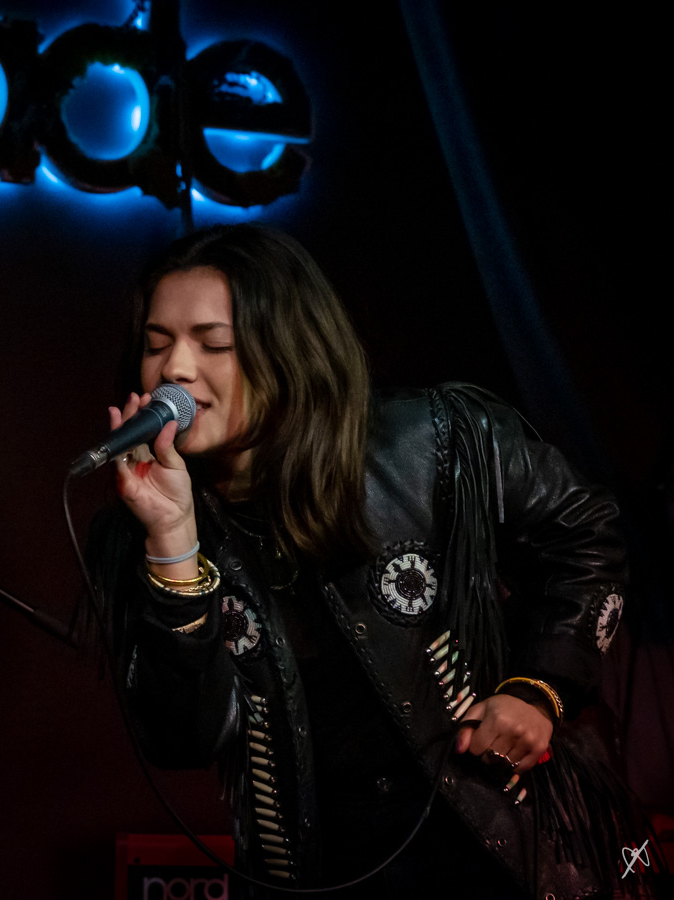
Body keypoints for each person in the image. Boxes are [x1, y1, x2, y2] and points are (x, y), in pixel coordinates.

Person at [86, 224, 651, 899]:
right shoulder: (146, 533)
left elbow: (586, 534)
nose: (175, 368)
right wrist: (174, 541)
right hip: (321, 872)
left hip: (504, 846)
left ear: (290, 347)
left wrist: (539, 688)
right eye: (157, 344)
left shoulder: (430, 440)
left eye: (215, 344)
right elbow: (182, 740)